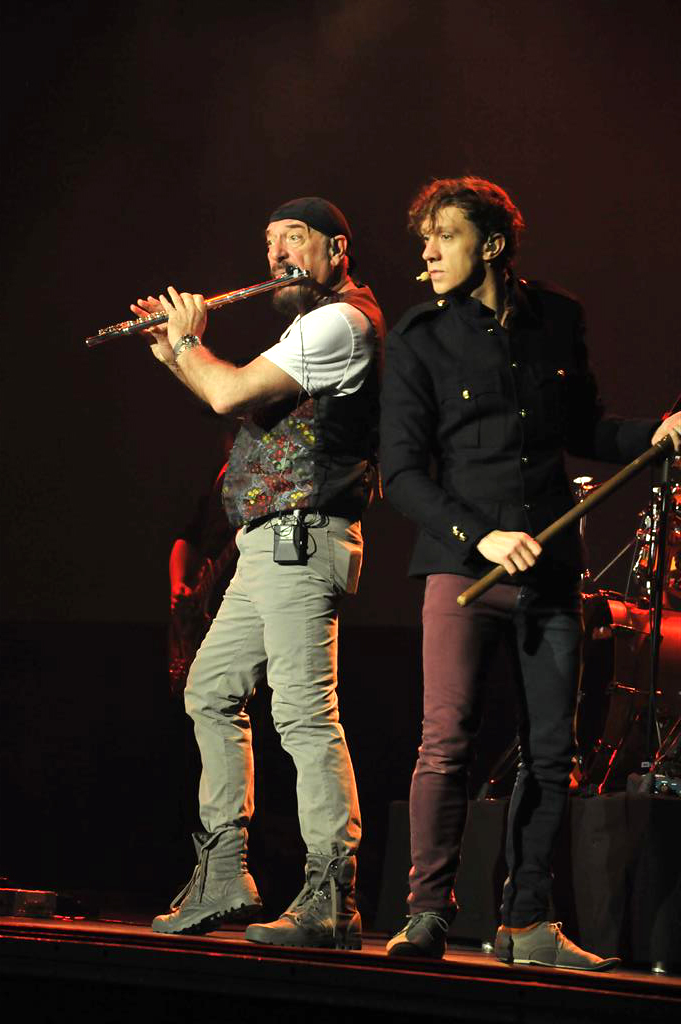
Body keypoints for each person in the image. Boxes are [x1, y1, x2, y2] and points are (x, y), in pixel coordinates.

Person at [379, 176, 681, 968]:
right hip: (461, 570)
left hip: (549, 572)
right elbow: (400, 474)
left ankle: (527, 921)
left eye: (444, 236)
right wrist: (479, 537)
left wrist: (656, 431)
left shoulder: (558, 317)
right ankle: (426, 914)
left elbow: (585, 428)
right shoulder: (417, 337)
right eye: (424, 238)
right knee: (445, 741)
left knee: (552, 751)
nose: (427, 252)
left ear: (492, 243)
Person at [134, 197, 386, 948]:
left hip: (302, 539)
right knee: (210, 690)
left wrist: (188, 344)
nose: (277, 256)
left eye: (294, 240)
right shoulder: (308, 325)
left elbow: (227, 390)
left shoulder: (341, 322)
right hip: (266, 545)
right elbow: (219, 387)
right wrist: (171, 351)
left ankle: (332, 896)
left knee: (304, 713)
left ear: (336, 250)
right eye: (269, 243)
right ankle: (224, 876)